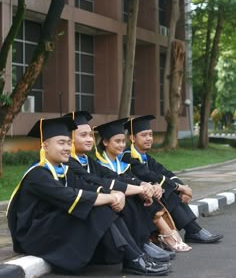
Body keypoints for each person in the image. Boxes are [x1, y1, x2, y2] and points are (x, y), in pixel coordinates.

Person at [7, 116, 169, 276]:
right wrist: (112, 197)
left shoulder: (62, 170)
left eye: (68, 143)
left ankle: (135, 255)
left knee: (101, 205)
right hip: (34, 234)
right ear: (45, 146)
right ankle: (134, 258)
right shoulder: (37, 174)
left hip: (53, 224)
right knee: (97, 208)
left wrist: (115, 194)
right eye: (61, 143)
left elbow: (86, 187)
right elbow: (71, 196)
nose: (66, 148)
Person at [65, 111, 174, 264]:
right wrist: (135, 190)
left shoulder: (88, 161)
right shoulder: (67, 163)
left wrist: (142, 185)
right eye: (83, 135)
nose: (89, 139)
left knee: (133, 195)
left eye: (90, 135)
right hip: (72, 215)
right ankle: (139, 248)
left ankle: (142, 243)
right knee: (124, 198)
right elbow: (96, 181)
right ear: (69, 139)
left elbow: (112, 176)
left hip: (85, 207)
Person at [123, 115, 224, 244]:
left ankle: (193, 230)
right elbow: (149, 175)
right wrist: (179, 188)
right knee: (167, 191)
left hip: (148, 194)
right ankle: (193, 230)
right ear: (132, 138)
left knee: (168, 187)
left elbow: (165, 172)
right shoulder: (127, 156)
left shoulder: (145, 156)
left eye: (150, 134)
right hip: (138, 198)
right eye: (144, 135)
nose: (149, 138)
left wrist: (183, 188)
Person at [95, 117, 192, 252]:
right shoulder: (99, 164)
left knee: (152, 196)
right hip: (113, 201)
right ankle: (164, 237)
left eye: (123, 141)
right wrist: (146, 187)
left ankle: (164, 237)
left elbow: (144, 176)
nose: (122, 145)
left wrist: (151, 186)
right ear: (105, 142)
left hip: (130, 195)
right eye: (117, 141)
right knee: (143, 200)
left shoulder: (124, 161)